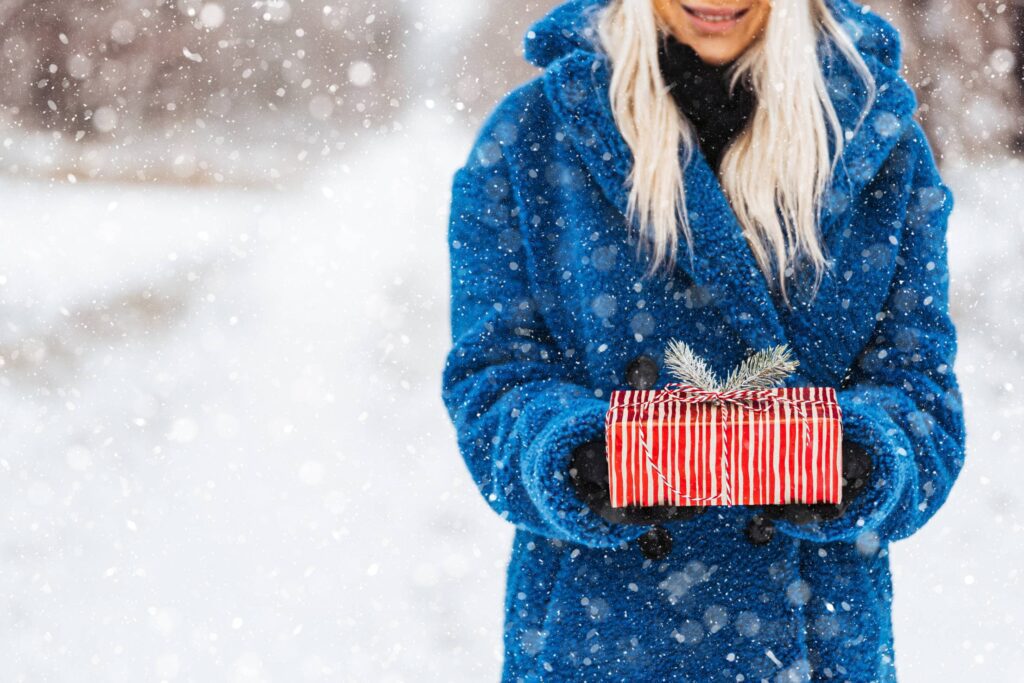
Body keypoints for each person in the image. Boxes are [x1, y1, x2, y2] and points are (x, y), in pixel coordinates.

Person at [440, 0, 965, 680]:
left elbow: (924, 397)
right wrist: (580, 459)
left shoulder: (876, 134)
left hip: (815, 639)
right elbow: (492, 380)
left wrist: (853, 463)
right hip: (599, 635)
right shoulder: (529, 136)